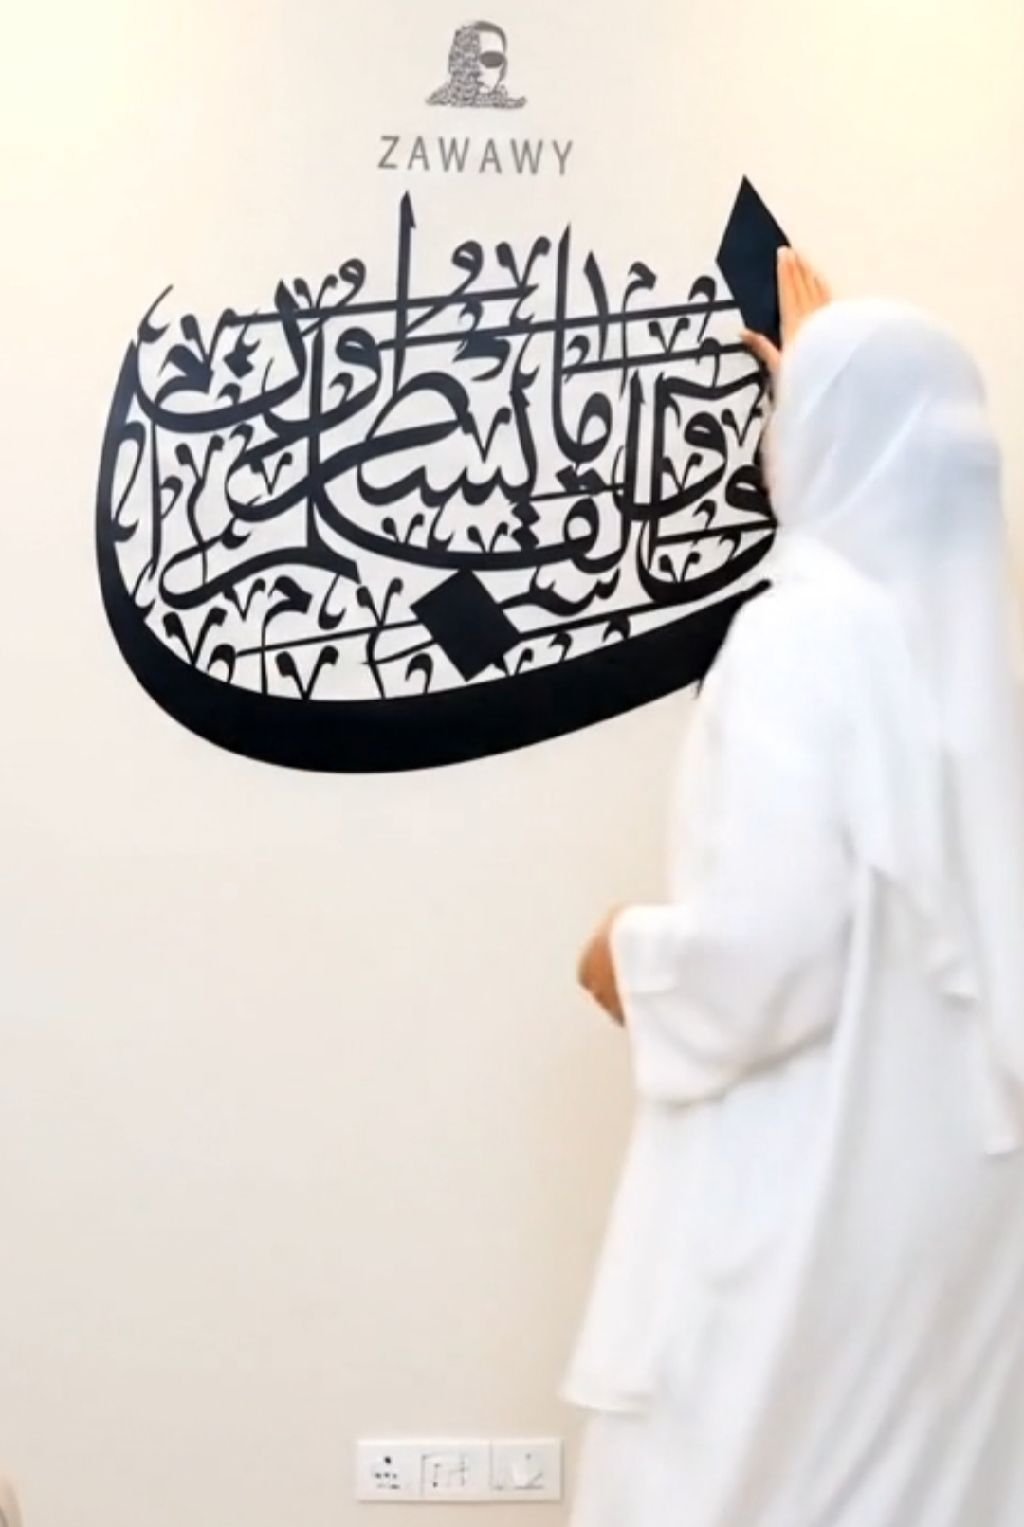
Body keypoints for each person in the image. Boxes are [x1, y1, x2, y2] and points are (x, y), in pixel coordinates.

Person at [568, 250, 1024, 1526]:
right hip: (955, 1215)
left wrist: (625, 952)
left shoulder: (799, 635)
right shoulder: (972, 674)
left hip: (809, 1203)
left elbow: (770, 958)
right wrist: (831, 374)